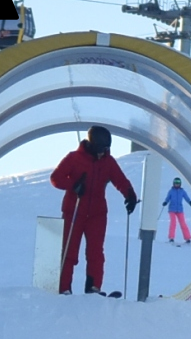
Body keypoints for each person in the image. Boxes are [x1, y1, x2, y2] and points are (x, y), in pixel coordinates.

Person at [49, 126, 138, 294]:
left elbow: (120, 180)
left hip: (97, 214)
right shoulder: (74, 158)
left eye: (106, 149)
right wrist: (74, 185)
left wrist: (130, 195)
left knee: (96, 252)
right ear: (91, 144)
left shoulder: (108, 161)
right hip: (74, 211)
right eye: (100, 149)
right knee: (69, 251)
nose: (102, 153)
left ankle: (93, 287)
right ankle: (64, 288)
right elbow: (55, 178)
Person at [162, 176, 191, 246]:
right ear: (173, 183)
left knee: (183, 223)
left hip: (180, 209)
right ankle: (171, 237)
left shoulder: (182, 191)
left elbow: (186, 197)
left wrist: (190, 202)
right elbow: (167, 198)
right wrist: (165, 202)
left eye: (178, 183)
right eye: (176, 183)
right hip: (172, 209)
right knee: (173, 223)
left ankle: (187, 238)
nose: (177, 184)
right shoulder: (171, 191)